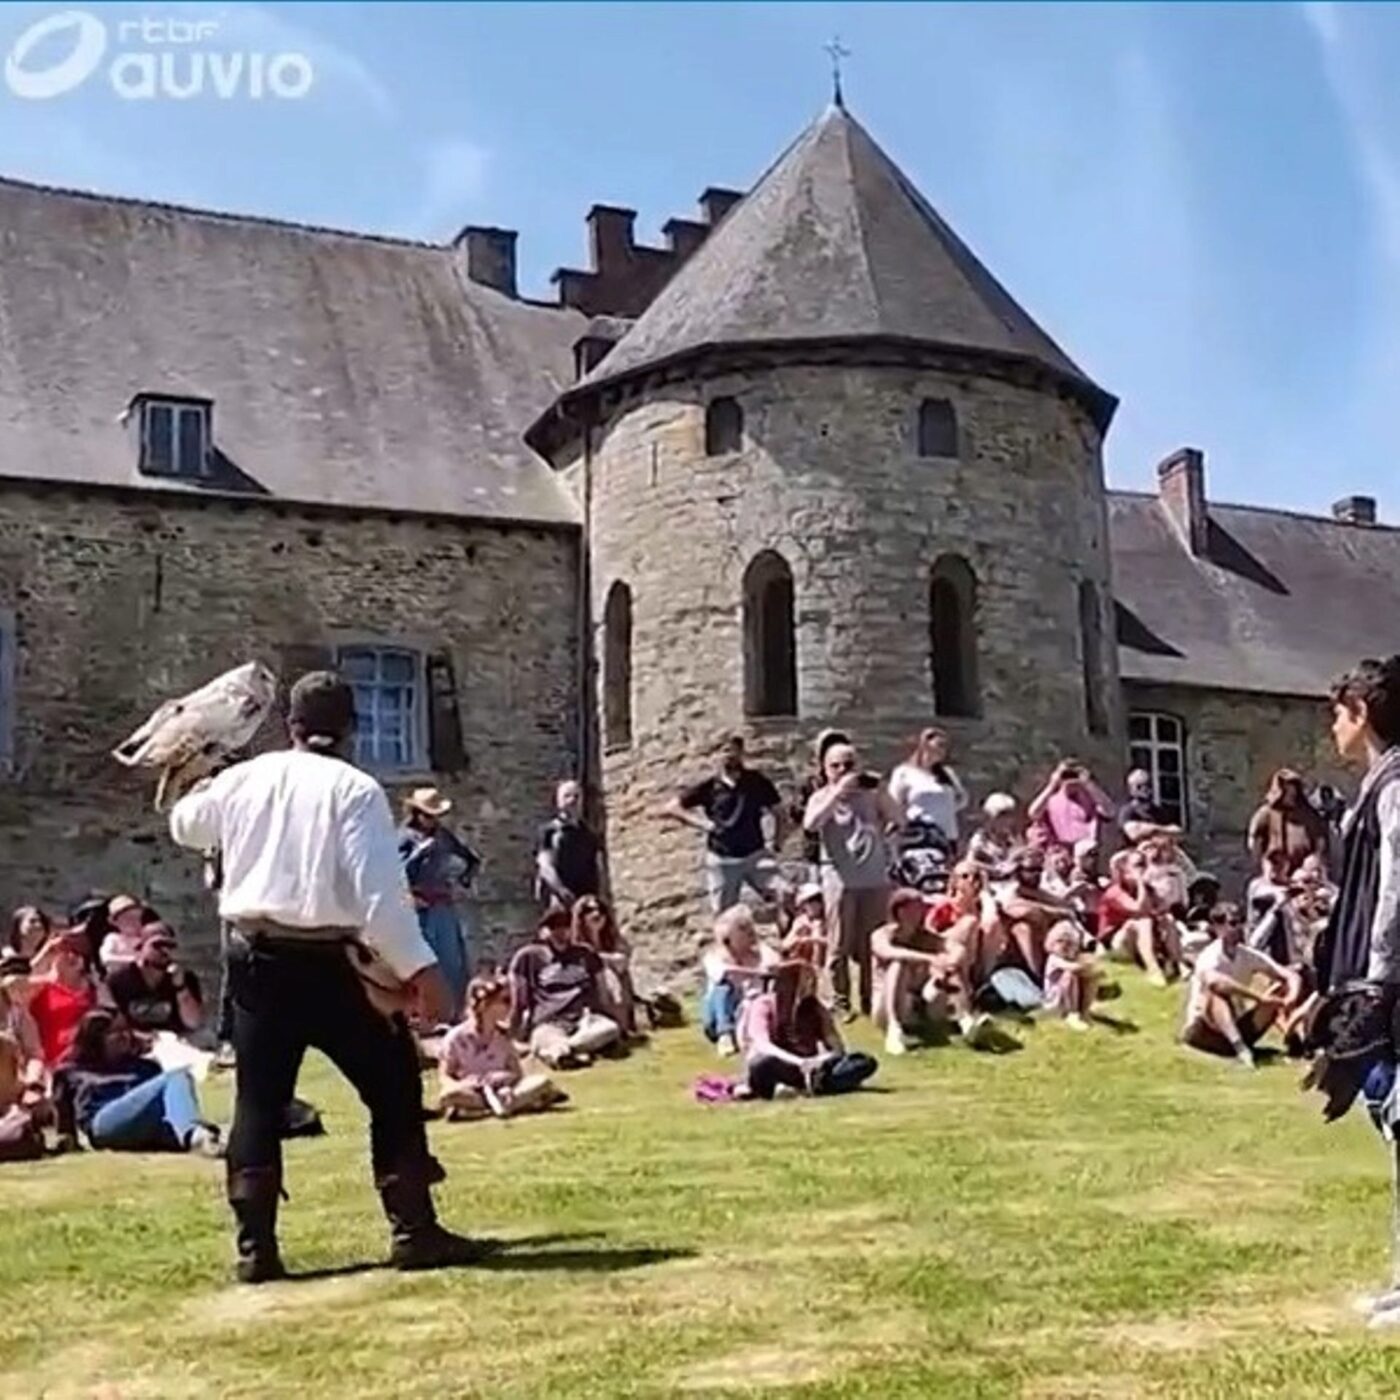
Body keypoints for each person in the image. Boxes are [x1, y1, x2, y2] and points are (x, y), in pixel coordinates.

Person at [169, 670, 475, 1284]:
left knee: (258, 1100)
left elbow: (186, 825)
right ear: (352, 729)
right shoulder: (355, 790)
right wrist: (422, 971)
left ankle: (257, 1248)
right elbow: (380, 900)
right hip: (329, 960)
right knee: (391, 1084)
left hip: (256, 957)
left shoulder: (241, 780)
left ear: (291, 726)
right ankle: (414, 1229)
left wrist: (191, 766)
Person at [1305, 657, 1400, 1325]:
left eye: (1337, 713)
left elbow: (1397, 890)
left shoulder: (1396, 789)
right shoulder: (1378, 788)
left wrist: (1379, 982)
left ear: (1361, 713)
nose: (1332, 727)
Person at [804, 740, 899, 1019]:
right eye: (836, 766)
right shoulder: (822, 796)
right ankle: (840, 1001)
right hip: (839, 878)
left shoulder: (871, 795)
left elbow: (899, 818)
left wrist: (882, 791)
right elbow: (811, 824)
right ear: (825, 769)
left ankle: (872, 999)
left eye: (849, 765)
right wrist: (837, 793)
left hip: (873, 877)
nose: (844, 771)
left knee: (873, 942)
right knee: (838, 943)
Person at [52, 1009, 221, 1154]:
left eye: (126, 1030)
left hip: (144, 1124)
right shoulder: (73, 1071)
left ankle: (197, 1137)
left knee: (173, 1103)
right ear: (95, 1038)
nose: (124, 1036)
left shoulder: (144, 1066)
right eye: (115, 1032)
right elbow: (64, 1121)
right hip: (105, 1123)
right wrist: (66, 1140)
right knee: (177, 1076)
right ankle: (195, 1133)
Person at [666, 734, 785, 914]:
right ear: (717, 755)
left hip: (755, 855)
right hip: (723, 859)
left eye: (735, 750)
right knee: (724, 915)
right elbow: (672, 807)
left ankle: (793, 938)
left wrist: (777, 841)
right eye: (725, 750)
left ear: (742, 753)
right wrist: (703, 824)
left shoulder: (755, 781)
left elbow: (779, 811)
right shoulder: (710, 786)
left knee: (784, 895)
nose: (730, 755)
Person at [871, 888, 995, 1055]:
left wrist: (952, 960)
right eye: (917, 908)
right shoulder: (882, 934)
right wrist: (929, 958)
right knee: (899, 965)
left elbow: (955, 947)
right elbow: (887, 951)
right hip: (886, 1006)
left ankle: (966, 1021)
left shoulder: (924, 936)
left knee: (951, 968)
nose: (922, 912)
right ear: (901, 911)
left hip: (920, 1003)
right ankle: (895, 1031)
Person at [1182, 903, 1303, 1068]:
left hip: (1238, 1025)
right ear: (1218, 927)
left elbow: (1289, 974)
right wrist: (1259, 997)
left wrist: (1291, 997)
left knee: (1283, 988)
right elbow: (1216, 982)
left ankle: (1296, 1040)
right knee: (1216, 994)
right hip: (1204, 1030)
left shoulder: (1247, 955)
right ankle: (1240, 1049)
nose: (1239, 927)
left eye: (1241, 922)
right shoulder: (1210, 956)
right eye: (1232, 923)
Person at [736, 960, 877, 1100]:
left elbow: (837, 1048)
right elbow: (763, 1045)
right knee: (760, 1064)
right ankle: (817, 1086)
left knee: (863, 1061)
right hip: (782, 1062)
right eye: (804, 979)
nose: (809, 984)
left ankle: (814, 1085)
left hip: (813, 1068)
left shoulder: (815, 1008)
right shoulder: (763, 1004)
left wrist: (818, 1061)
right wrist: (800, 1062)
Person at [398, 787, 480, 1021]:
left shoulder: (443, 836)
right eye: (427, 815)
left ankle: (453, 1013)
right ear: (416, 813)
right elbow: (394, 872)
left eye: (435, 816)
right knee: (420, 963)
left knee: (451, 962)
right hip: (417, 907)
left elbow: (470, 859)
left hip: (442, 905)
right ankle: (421, 1015)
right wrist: (419, 854)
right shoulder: (404, 837)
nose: (432, 821)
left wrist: (463, 879)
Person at [508, 908, 621, 1070]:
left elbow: (603, 990)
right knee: (546, 1038)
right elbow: (518, 1001)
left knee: (609, 1029)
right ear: (544, 930)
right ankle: (562, 1052)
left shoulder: (584, 953)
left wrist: (613, 1016)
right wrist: (513, 1036)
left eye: (566, 926)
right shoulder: (528, 957)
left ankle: (565, 1050)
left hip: (584, 1020)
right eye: (554, 927)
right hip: (548, 1022)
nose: (561, 931)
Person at [438, 977, 565, 1120]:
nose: (510, 1006)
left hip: (504, 1090)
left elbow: (517, 1073)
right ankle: (515, 1105)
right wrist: (465, 1084)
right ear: (485, 1004)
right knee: (448, 1096)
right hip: (473, 1091)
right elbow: (445, 1076)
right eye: (505, 1000)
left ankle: (485, 1109)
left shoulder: (504, 1036)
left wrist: (504, 1079)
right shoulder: (455, 1038)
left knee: (542, 1082)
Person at [700, 904, 779, 1056]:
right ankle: (725, 1034)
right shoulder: (713, 957)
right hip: (718, 1017)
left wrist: (761, 950)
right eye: (743, 930)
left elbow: (774, 965)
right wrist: (755, 972)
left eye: (749, 930)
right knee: (723, 988)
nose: (750, 935)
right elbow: (724, 973)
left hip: (749, 1008)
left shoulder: (759, 953)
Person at [1098, 849, 1182, 986]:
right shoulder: (1114, 892)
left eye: (1144, 864)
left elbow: (1163, 906)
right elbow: (1139, 910)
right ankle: (1153, 969)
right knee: (1142, 922)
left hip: (1141, 940)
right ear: (1125, 870)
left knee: (1168, 919)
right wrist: (1140, 882)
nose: (1143, 868)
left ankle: (1177, 963)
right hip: (1116, 944)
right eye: (1138, 865)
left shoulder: (1146, 889)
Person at [105, 924, 203, 1036]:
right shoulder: (119, 980)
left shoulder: (185, 978)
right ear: (142, 947)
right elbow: (114, 1022)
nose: (164, 951)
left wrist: (180, 988)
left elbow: (193, 1023)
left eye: (169, 946)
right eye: (157, 945)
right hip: (136, 1041)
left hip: (176, 1041)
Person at [570, 895, 638, 1039]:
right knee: (606, 973)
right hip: (588, 990)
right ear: (581, 917)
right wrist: (605, 959)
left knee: (612, 974)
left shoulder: (614, 938)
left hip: (615, 986)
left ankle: (622, 1025)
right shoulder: (574, 944)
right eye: (589, 910)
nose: (597, 914)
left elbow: (622, 962)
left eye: (600, 910)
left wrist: (599, 956)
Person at [887, 728, 969, 846]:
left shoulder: (947, 774)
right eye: (939, 745)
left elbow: (962, 799)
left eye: (945, 746)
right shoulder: (904, 772)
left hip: (947, 835)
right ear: (925, 745)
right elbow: (894, 802)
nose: (942, 750)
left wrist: (943, 807)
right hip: (919, 834)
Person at [28, 932, 99, 1066]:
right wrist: (45, 953)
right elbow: (9, 985)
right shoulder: (40, 987)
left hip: (88, 1062)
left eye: (76, 953)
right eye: (64, 952)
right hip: (52, 1065)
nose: (71, 956)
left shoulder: (94, 987)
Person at [536, 779, 606, 909]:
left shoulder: (589, 834)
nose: (572, 800)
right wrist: (560, 890)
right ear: (558, 801)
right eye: (567, 796)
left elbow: (598, 869)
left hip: (586, 902)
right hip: (559, 901)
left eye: (576, 796)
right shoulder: (549, 831)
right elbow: (545, 865)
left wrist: (597, 898)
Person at [1248, 769, 1331, 877]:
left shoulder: (1309, 815)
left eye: (1293, 790)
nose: (1291, 794)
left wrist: (1315, 859)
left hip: (1306, 872)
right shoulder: (1265, 814)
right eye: (1286, 791)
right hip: (1274, 872)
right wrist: (1262, 865)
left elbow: (1320, 841)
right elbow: (1255, 842)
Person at [791, 730, 850, 881]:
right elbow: (797, 815)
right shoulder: (810, 784)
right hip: (816, 854)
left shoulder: (858, 785)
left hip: (850, 852)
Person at [1028, 760, 1116, 851]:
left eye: (1074, 774)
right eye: (1066, 775)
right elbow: (1033, 813)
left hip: (1088, 850)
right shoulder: (1051, 800)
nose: (1070, 779)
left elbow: (1110, 812)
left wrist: (1089, 783)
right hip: (1061, 851)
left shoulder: (1092, 799)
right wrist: (1052, 784)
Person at [1043, 921, 1100, 1031]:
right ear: (1051, 943)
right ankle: (1071, 1014)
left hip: (1072, 994)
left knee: (1091, 977)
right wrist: (1086, 965)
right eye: (1059, 941)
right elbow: (1072, 967)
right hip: (1056, 1000)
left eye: (1069, 942)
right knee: (1070, 975)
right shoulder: (1054, 958)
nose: (1064, 945)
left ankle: (1085, 1010)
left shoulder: (1074, 957)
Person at [966, 794, 1022, 883]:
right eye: (1003, 816)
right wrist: (993, 869)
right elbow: (970, 861)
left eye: (1010, 816)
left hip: (1012, 884)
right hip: (988, 884)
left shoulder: (1012, 837)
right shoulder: (981, 837)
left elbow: (1020, 854)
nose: (1008, 820)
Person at [1118, 769, 1179, 846]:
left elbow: (1176, 833)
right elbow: (1134, 833)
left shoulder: (1158, 811)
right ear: (1131, 790)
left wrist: (1148, 829)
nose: (1145, 789)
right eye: (1139, 786)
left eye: (1148, 785)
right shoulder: (1127, 811)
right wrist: (1163, 830)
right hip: (1133, 853)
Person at [780, 883, 828, 969]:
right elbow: (786, 944)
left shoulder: (827, 921)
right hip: (803, 965)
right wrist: (795, 941)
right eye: (808, 903)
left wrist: (813, 939)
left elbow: (835, 943)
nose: (812, 906)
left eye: (816, 901)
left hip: (824, 963)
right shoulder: (800, 921)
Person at [98, 895, 148, 971]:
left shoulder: (143, 940)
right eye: (128, 919)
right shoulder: (113, 938)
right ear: (116, 922)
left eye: (137, 919)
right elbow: (106, 958)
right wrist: (132, 960)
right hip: (118, 979)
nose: (133, 923)